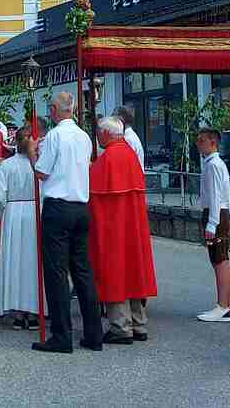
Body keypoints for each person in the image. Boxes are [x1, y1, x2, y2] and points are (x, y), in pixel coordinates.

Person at [30, 93, 103, 354]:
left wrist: (32, 153)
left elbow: (42, 172)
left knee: (57, 272)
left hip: (58, 206)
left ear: (53, 109)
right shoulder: (84, 137)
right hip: (80, 206)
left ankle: (62, 335)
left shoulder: (54, 136)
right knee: (82, 270)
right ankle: (94, 333)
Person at [88, 117, 156, 344]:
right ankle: (138, 323)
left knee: (115, 272)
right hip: (133, 227)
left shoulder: (107, 158)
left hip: (113, 228)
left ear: (106, 134)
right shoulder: (130, 155)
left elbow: (92, 193)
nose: (97, 137)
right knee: (134, 270)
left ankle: (121, 326)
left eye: (99, 133)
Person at [0, 132, 41, 329]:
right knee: (32, 263)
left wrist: (0, 216)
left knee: (15, 261)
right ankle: (34, 311)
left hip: (13, 214)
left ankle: (19, 312)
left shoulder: (7, 165)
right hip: (34, 211)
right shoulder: (37, 164)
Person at [195, 130, 230, 323]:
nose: (198, 143)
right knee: (218, 260)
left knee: (220, 260)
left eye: (202, 140)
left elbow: (216, 195)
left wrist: (212, 223)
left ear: (213, 142)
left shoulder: (213, 165)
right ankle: (224, 305)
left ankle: (223, 306)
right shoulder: (212, 163)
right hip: (218, 212)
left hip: (216, 213)